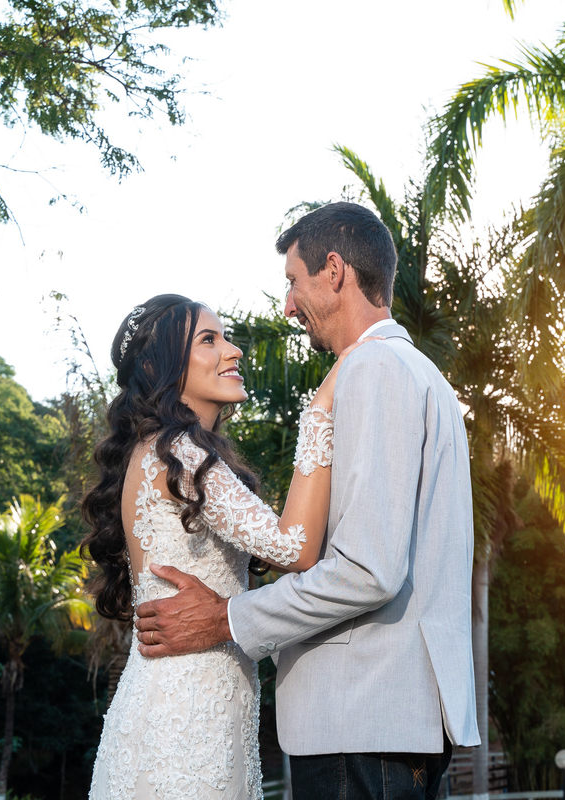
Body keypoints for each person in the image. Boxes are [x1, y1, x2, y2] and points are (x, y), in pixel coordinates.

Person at [132, 202, 480, 800]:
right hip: (387, 720)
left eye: (293, 281)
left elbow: (368, 571)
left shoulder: (372, 370)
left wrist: (225, 618)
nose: (288, 305)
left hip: (361, 714)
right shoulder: (419, 374)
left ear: (335, 271)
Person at [82, 293, 354, 798]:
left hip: (197, 712)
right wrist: (320, 410)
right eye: (209, 340)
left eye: (225, 337)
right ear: (158, 365)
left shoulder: (169, 450)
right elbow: (294, 548)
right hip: (182, 726)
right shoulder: (178, 453)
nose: (234, 352)